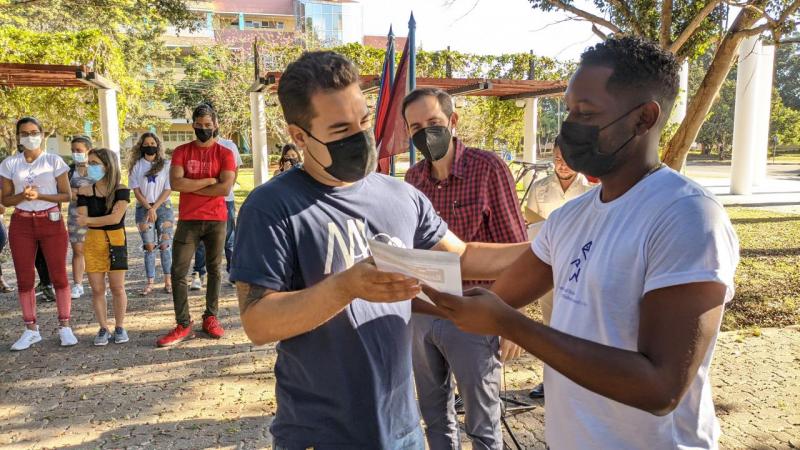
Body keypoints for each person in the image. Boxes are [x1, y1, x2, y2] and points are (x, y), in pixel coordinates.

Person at [423, 37, 740, 450]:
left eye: (586, 114)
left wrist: (510, 324)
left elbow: (661, 388)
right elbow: (496, 296)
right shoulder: (570, 218)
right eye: (569, 110)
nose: (570, 127)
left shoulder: (686, 217)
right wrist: (388, 285)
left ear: (644, 118)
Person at [230, 51, 529, 450]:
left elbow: (462, 256)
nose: (360, 138)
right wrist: (345, 287)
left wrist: (548, 249)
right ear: (299, 136)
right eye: (340, 130)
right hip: (319, 435)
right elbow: (258, 322)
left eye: (364, 121)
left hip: (402, 428)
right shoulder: (270, 207)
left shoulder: (401, 195)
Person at [403, 87, 527, 449]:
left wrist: (511, 322)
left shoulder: (488, 169)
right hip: (425, 313)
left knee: (482, 422)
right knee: (434, 417)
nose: (425, 133)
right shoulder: (413, 180)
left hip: (476, 315)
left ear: (453, 122)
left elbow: (515, 250)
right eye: (415, 128)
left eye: (434, 122)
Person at [156, 103, 235, 347]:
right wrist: (210, 180)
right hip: (189, 220)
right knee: (178, 272)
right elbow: (177, 184)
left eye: (208, 126)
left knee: (214, 270)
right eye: (199, 126)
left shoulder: (225, 154)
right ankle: (183, 323)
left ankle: (211, 317)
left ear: (216, 125)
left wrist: (195, 183)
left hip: (217, 219)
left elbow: (225, 188)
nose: (203, 129)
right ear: (193, 125)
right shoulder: (181, 151)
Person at [524, 139, 595, 399]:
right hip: (547, 268)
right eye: (556, 158)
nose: (561, 164)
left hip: (581, 267)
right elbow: (531, 226)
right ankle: (550, 379)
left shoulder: (591, 190)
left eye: (566, 158)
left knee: (579, 325)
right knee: (550, 325)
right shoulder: (540, 189)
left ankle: (580, 378)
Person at [1, 117, 77, 350]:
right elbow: (5, 199)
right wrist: (22, 196)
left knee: (59, 277)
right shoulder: (10, 164)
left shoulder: (54, 161)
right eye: (24, 133)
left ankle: (65, 326)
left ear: (42, 134)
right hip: (22, 224)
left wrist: (41, 196)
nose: (30, 136)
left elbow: (67, 195)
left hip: (51, 221)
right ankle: (31, 329)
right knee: (24, 279)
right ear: (18, 136)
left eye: (34, 132)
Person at [76, 148, 131, 345]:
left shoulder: (121, 190)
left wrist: (91, 219)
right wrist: (96, 220)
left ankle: (120, 326)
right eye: (89, 163)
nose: (90, 166)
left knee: (117, 287)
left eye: (94, 163)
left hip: (116, 240)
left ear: (107, 165)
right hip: (93, 241)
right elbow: (82, 221)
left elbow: (116, 218)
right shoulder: (84, 191)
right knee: (97, 289)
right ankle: (102, 328)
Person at [188, 132, 243, 290]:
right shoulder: (195, 148)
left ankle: (233, 273)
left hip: (226, 200)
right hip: (204, 201)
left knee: (229, 237)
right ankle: (199, 273)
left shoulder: (229, 146)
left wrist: (227, 189)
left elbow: (235, 169)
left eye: (210, 123)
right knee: (201, 238)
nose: (206, 128)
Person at [128, 132, 174, 295]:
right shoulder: (136, 166)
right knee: (149, 247)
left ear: (158, 146)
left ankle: (168, 281)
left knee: (165, 245)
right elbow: (136, 190)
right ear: (141, 146)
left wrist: (155, 208)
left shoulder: (166, 164)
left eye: (153, 143)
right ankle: (150, 283)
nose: (150, 146)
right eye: (146, 143)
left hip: (163, 207)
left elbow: (168, 188)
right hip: (143, 207)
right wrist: (148, 208)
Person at [66, 135, 94, 299]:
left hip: (96, 215)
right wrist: (82, 193)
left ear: (88, 150)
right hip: (75, 216)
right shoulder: (69, 171)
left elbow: (102, 191)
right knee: (78, 251)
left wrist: (78, 193)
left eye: (79, 150)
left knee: (97, 249)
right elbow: (65, 193)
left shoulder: (97, 168)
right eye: (73, 150)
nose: (76, 153)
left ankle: (98, 283)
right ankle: (77, 285)